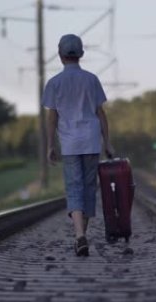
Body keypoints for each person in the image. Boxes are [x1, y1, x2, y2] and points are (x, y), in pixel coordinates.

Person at [42, 34, 113, 256]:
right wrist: (107, 143)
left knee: (74, 188)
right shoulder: (92, 80)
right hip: (92, 141)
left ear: (61, 55)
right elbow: (101, 114)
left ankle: (79, 236)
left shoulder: (54, 83)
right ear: (81, 54)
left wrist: (50, 145)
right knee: (89, 189)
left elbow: (52, 118)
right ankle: (82, 235)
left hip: (70, 144)